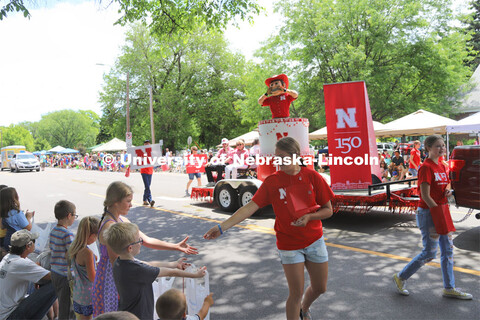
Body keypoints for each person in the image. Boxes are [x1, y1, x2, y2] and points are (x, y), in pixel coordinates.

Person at [204, 137, 335, 320]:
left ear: (295, 156)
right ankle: (298, 309)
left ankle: (304, 307)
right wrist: (222, 227)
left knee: (320, 287)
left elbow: (328, 210)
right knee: (295, 293)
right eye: (276, 157)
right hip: (289, 243)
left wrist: (310, 217)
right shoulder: (273, 181)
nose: (278, 161)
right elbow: (249, 207)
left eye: (282, 157)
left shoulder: (312, 177)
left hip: (314, 240)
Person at [92, 181, 199, 317]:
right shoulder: (110, 227)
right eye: (128, 201)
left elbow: (146, 240)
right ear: (115, 202)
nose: (131, 205)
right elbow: (118, 263)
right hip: (113, 285)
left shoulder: (122, 220)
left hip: (123, 280)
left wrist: (176, 246)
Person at [393, 135, 472, 300]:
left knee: (448, 250)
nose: (442, 149)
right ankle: (401, 277)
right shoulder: (426, 167)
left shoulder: (443, 166)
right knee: (429, 253)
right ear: (428, 148)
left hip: (441, 210)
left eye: (443, 145)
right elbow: (425, 195)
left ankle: (449, 288)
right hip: (429, 213)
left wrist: (447, 192)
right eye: (438, 146)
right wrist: (438, 212)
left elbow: (443, 187)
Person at [104, 222, 206, 320]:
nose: (141, 243)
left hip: (125, 314)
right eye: (139, 241)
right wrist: (195, 275)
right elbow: (171, 273)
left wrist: (174, 264)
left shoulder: (119, 262)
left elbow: (149, 264)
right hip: (140, 316)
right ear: (130, 248)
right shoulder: (138, 270)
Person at [0, 230, 57, 320]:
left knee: (39, 280)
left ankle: (52, 316)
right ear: (28, 246)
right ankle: (54, 317)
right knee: (57, 283)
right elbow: (55, 277)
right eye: (34, 241)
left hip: (5, 308)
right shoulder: (21, 263)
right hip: (10, 315)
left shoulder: (8, 257)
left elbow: (34, 269)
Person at [68, 216, 100, 320]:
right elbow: (93, 278)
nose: (97, 239)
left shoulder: (75, 246)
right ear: (90, 235)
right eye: (96, 236)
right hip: (88, 295)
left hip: (78, 293)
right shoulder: (87, 253)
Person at [49, 200, 77, 320]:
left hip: (55, 272)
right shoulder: (67, 234)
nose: (75, 218)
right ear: (69, 215)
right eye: (75, 215)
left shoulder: (53, 231)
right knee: (67, 307)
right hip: (65, 274)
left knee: (62, 301)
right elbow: (72, 253)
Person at [0, 187, 34, 251]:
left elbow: (2, 227)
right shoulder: (16, 213)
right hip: (18, 242)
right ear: (15, 198)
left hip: (7, 241)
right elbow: (28, 227)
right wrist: (28, 217)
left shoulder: (3, 213)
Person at [141, 140, 155, 207]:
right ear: (144, 145)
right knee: (147, 186)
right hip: (144, 171)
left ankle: (144, 200)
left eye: (148, 144)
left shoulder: (152, 152)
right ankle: (150, 200)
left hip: (150, 171)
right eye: (146, 144)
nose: (147, 145)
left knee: (147, 187)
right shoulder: (141, 151)